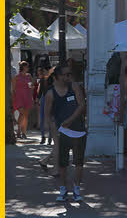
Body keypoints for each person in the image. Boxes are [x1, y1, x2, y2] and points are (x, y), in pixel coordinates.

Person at [44, 65, 87, 202]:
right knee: (63, 163)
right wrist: (52, 131)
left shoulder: (74, 87)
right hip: (62, 132)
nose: (68, 77)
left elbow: (82, 105)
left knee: (79, 162)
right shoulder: (50, 94)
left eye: (69, 74)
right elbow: (47, 115)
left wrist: (70, 120)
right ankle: (63, 189)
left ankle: (76, 189)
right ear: (56, 77)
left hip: (79, 131)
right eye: (64, 75)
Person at [12, 61, 34, 139]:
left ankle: (22, 133)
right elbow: (13, 89)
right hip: (19, 97)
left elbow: (32, 86)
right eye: (27, 66)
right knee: (22, 113)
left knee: (25, 115)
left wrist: (31, 88)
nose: (28, 68)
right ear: (23, 67)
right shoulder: (16, 77)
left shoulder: (29, 76)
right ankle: (19, 131)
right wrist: (13, 99)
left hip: (27, 97)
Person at [36, 65, 53, 145]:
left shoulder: (51, 79)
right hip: (46, 98)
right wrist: (38, 99)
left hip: (47, 98)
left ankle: (47, 137)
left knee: (46, 118)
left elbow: (40, 92)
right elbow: (40, 92)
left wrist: (38, 99)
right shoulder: (44, 80)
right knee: (45, 118)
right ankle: (46, 137)